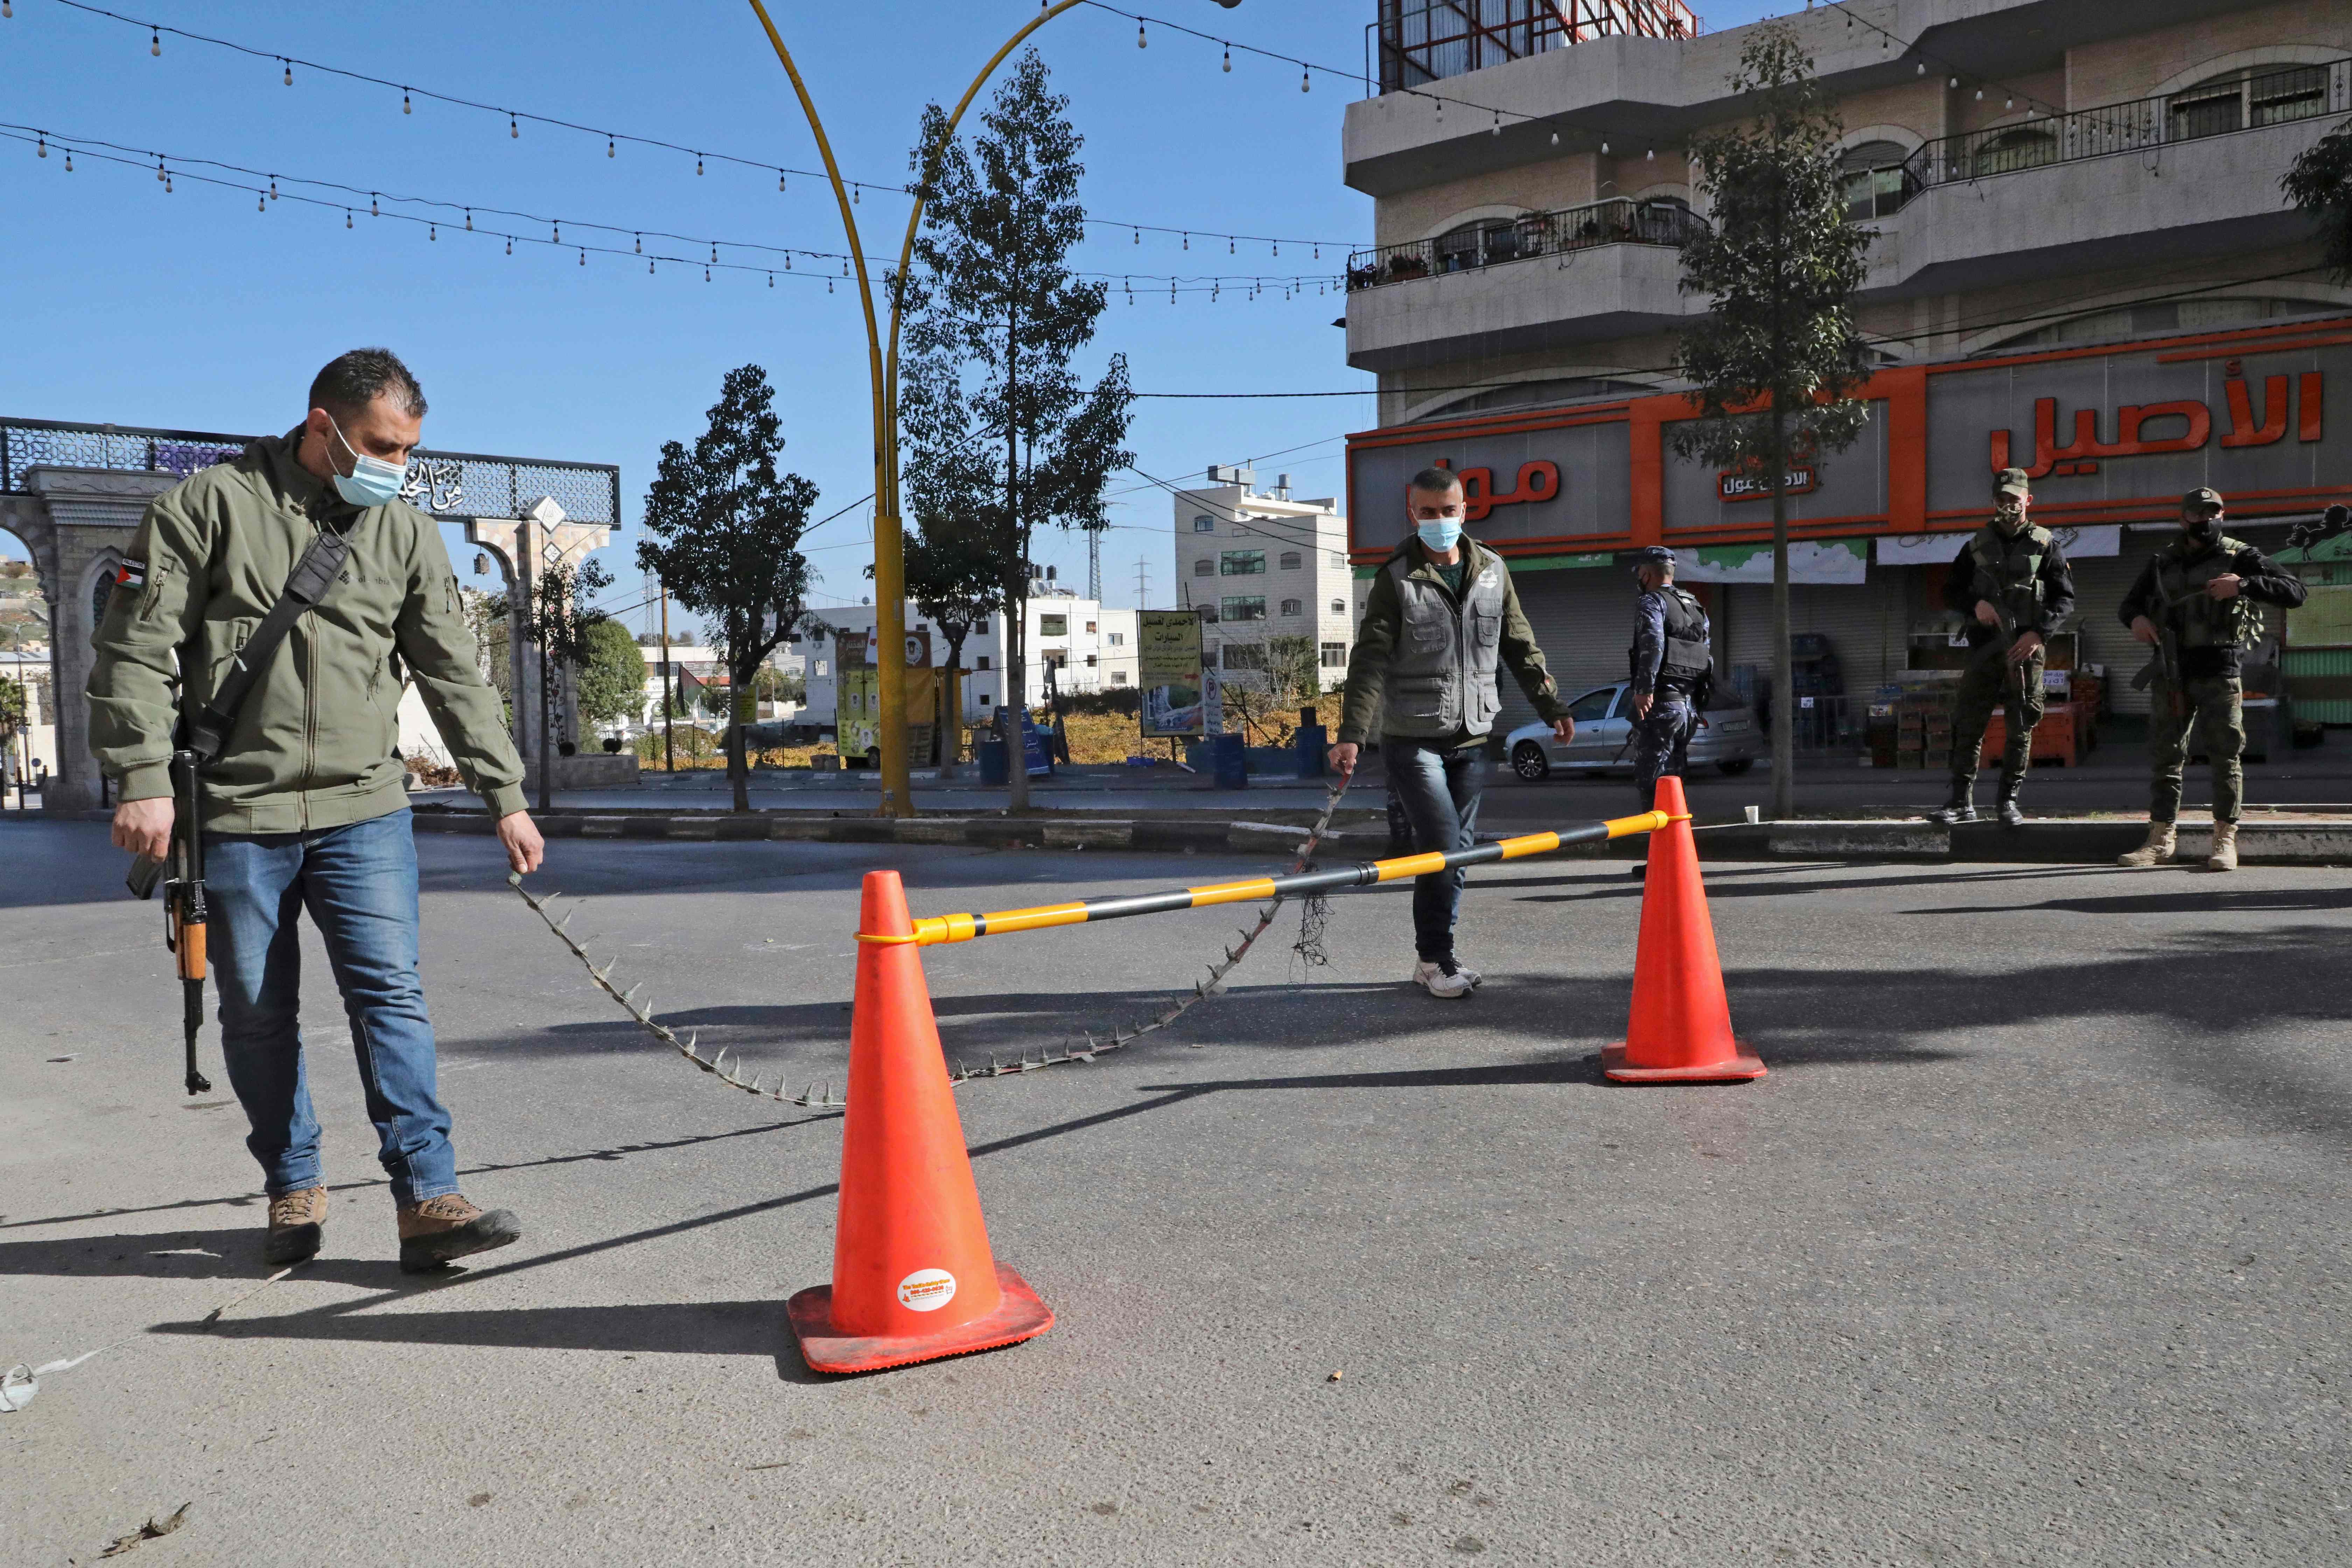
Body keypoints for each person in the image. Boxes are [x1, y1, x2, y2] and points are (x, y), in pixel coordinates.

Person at [88, 348, 545, 1273]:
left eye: (409, 449)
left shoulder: (406, 533)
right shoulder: (206, 507)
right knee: (258, 1013)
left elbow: (453, 669)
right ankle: (294, 1181)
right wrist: (140, 775)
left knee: (391, 998)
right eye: (382, 445)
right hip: (236, 811)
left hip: (365, 808)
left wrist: (506, 794)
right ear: (322, 423)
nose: (397, 466)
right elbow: (133, 648)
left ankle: (428, 1198)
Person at [1329, 466, 1575, 999]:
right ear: (1411, 513)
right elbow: (1369, 661)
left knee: (1459, 851)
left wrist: (1550, 703)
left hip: (1473, 736)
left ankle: (1437, 955)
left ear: (1465, 510)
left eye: (1449, 511)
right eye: (1428, 512)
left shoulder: (1492, 570)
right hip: (1412, 736)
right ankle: (1434, 958)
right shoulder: (1395, 577)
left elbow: (1520, 644)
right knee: (1441, 843)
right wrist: (1352, 733)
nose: (1439, 521)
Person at [2114, 487, 2305, 872]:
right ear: (2183, 519)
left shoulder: (2241, 555)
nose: (2206, 520)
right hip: (2172, 672)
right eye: (2198, 514)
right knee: (2166, 756)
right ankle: (2161, 839)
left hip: (2219, 671)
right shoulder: (2162, 561)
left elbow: (2295, 591)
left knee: (2225, 756)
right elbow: (2129, 605)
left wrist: (2244, 585)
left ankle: (2224, 838)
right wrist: (2136, 620)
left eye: (2213, 512)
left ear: (2222, 514)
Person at [1929, 468, 2074, 827]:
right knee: (1968, 724)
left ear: (2029, 499)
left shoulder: (2046, 544)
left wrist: (2039, 634)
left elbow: (2064, 599)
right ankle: (1961, 802)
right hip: (1984, 648)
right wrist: (1974, 606)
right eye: (2002, 499)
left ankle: (2008, 802)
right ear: (1993, 501)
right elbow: (1951, 590)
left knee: (2020, 726)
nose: (2008, 505)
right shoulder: (1976, 545)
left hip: (2025, 650)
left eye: (2015, 498)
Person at [1625, 545, 1712, 834]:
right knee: (1675, 781)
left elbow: (1653, 645)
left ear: (1647, 573)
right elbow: (1706, 656)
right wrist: (1697, 703)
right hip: (1687, 707)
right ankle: (1677, 850)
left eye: (1640, 572)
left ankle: (1660, 859)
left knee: (1652, 782)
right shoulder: (1695, 605)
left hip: (1661, 703)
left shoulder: (1653, 601)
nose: (1639, 577)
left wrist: (1644, 690)